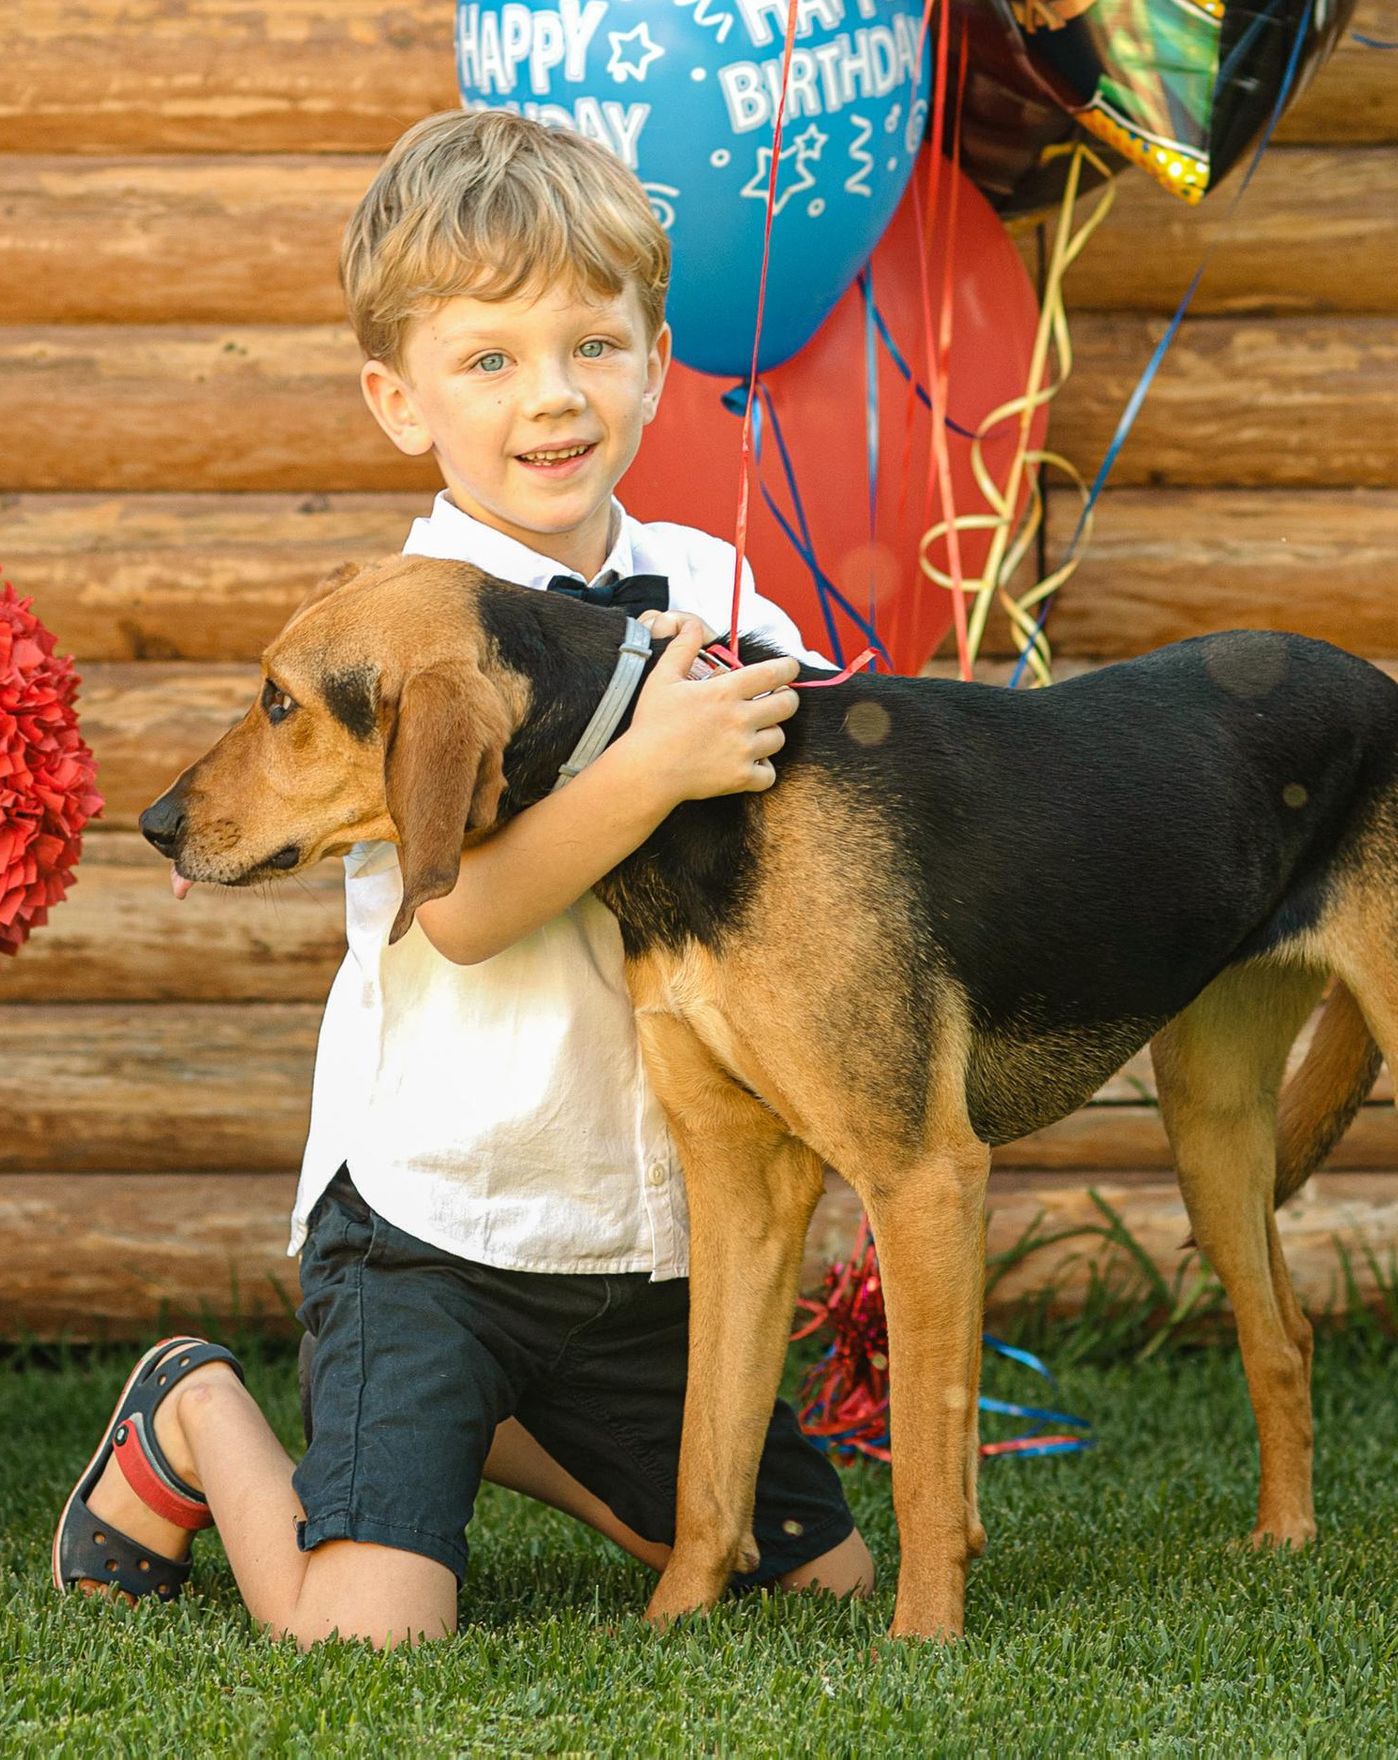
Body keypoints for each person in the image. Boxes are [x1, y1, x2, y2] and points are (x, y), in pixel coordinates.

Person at [57, 110, 871, 1643]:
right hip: (436, 1232)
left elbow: (814, 832)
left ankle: (488, 1435)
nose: (552, 399)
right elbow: (468, 913)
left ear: (656, 353)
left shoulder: (714, 584)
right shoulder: (397, 630)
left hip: (648, 1244)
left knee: (819, 1587)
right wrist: (648, 767)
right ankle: (194, 1418)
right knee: (364, 1636)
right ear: (398, 397)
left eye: (593, 346)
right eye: (489, 361)